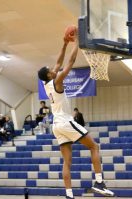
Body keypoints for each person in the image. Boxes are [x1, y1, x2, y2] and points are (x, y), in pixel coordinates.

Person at [38, 31, 114, 199]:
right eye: (50, 70)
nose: (53, 68)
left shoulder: (46, 83)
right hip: (65, 121)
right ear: (49, 75)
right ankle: (99, 183)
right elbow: (69, 62)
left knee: (67, 162)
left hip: (56, 126)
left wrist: (64, 43)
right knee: (94, 147)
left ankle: (69, 195)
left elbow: (58, 62)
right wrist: (76, 42)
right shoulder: (57, 81)